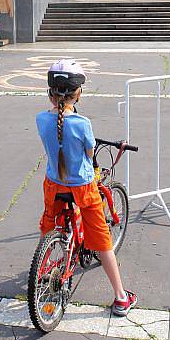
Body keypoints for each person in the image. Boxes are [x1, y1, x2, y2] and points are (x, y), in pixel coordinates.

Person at [35, 59, 138, 317]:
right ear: (77, 93)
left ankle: (42, 267)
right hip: (81, 187)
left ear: (50, 94)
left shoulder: (40, 120)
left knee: (49, 224)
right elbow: (89, 152)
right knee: (102, 239)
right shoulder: (82, 124)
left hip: (53, 184)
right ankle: (121, 297)